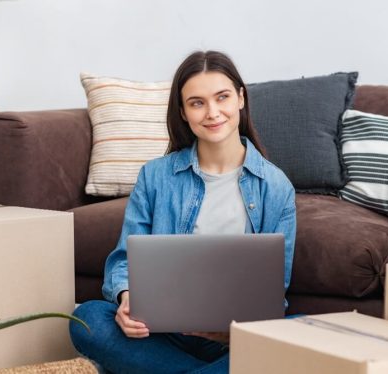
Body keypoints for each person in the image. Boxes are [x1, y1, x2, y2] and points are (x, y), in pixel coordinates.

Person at [69, 50, 296, 374]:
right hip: (160, 332)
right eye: (197, 102)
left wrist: (231, 331)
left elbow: (275, 290)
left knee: (298, 333)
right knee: (86, 318)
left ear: (241, 99)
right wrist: (125, 297)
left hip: (231, 338)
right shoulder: (155, 176)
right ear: (183, 111)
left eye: (222, 98)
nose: (213, 112)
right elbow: (123, 260)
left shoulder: (275, 186)